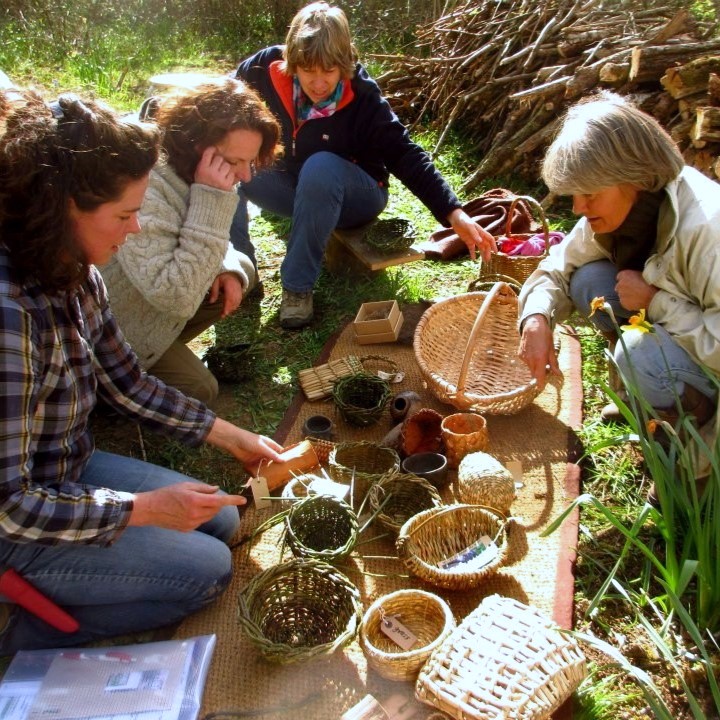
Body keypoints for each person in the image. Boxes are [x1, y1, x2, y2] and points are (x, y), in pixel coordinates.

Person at [0, 90, 284, 655]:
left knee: (221, 525)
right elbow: (10, 506)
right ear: (62, 210)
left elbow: (127, 383)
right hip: (17, 528)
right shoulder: (9, 321)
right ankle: (23, 623)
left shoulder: (77, 270)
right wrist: (144, 511)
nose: (134, 232)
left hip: (65, 469)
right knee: (205, 570)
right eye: (126, 215)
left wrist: (233, 438)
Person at [230, 1, 495, 329]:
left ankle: (297, 289)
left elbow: (404, 151)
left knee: (321, 167)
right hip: (293, 185)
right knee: (227, 161)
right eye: (308, 70)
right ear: (291, 62)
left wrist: (454, 212)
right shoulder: (261, 70)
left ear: (344, 63)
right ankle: (240, 269)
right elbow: (220, 101)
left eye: (329, 70)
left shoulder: (362, 94)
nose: (318, 83)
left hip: (357, 192)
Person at [518, 91, 718, 434]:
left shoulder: (708, 229)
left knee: (637, 354)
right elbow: (557, 268)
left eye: (590, 195)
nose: (579, 208)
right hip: (679, 333)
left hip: (710, 362)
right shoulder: (624, 206)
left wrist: (656, 303)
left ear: (636, 178)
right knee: (588, 280)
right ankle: (641, 396)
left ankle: (687, 457)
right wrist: (536, 317)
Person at [100, 78, 282, 405]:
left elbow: (207, 236)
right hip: (113, 333)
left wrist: (227, 267)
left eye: (249, 161)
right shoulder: (146, 189)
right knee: (200, 388)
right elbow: (178, 296)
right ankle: (109, 387)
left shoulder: (208, 170)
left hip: (157, 302)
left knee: (241, 272)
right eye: (234, 161)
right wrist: (211, 200)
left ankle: (162, 343)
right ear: (194, 144)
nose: (245, 176)